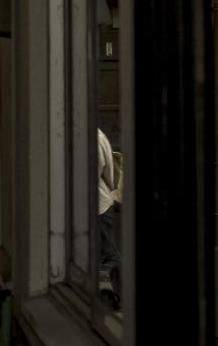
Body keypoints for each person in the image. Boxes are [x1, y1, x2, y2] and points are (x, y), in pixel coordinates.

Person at [96, 127, 122, 310]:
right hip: (101, 203)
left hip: (99, 205)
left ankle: (117, 296)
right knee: (107, 253)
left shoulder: (94, 139)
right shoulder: (99, 136)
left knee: (110, 254)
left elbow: (95, 173)